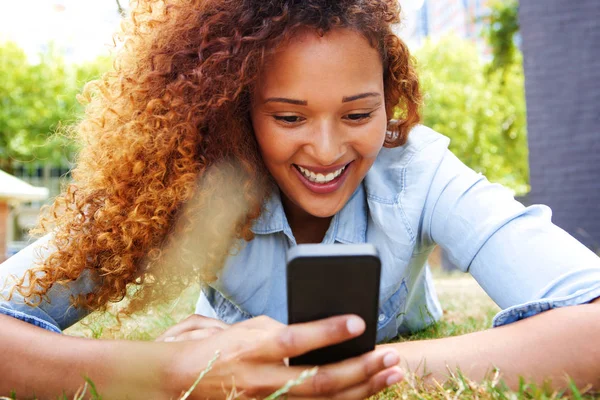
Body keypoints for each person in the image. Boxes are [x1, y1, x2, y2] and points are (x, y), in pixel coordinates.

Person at [2, 0, 600, 397]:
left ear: (388, 104)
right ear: (236, 113)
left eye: (358, 113)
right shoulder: (186, 180)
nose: (325, 149)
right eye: (289, 116)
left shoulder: (420, 167)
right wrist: (176, 372)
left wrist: (349, 374)